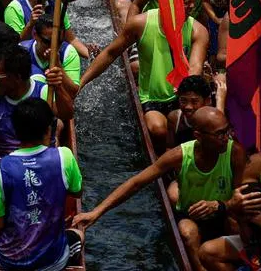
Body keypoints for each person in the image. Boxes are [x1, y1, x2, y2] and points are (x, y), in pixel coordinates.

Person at [72, 107, 248, 271]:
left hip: (223, 211)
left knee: (236, 222)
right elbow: (136, 182)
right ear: (198, 136)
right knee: (187, 232)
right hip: (191, 215)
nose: (226, 138)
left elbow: (238, 197)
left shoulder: (235, 152)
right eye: (220, 134)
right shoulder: (179, 155)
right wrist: (97, 211)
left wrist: (220, 205)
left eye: (227, 131)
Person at [78, 0, 208, 150]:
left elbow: (195, 66)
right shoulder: (141, 23)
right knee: (158, 129)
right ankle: (163, 158)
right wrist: (81, 83)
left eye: (191, 3)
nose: (189, 8)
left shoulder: (198, 30)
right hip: (152, 98)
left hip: (181, 97)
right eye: (183, 4)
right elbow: (111, 53)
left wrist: (185, 90)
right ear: (166, 3)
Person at [0, 97, 82, 271]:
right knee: (78, 235)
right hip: (53, 263)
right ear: (49, 129)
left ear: (15, 132)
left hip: (12, 264)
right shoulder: (65, 156)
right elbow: (77, 192)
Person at [0, 43, 74, 196]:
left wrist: (58, 87)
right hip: (3, 169)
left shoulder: (45, 92)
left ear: (17, 77)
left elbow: (67, 114)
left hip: (43, 167)